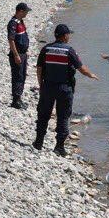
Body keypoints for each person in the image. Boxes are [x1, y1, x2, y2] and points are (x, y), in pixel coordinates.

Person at [33, 24, 99, 156]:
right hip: (64, 88)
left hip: (48, 86)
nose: (69, 37)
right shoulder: (69, 51)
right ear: (64, 36)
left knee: (43, 114)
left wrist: (41, 85)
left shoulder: (46, 49)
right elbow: (81, 68)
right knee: (63, 116)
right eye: (68, 34)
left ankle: (38, 142)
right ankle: (59, 147)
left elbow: (39, 68)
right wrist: (91, 74)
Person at [6, 2, 31, 109]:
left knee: (23, 76)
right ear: (20, 11)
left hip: (23, 53)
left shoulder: (20, 22)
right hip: (17, 54)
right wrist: (16, 55)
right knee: (17, 76)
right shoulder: (13, 23)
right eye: (25, 11)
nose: (26, 13)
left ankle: (19, 98)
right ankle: (15, 100)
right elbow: (11, 40)